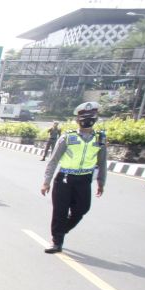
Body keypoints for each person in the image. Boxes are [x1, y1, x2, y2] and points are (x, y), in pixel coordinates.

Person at [40, 102, 107, 253]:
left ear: (95, 119)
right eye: (84, 118)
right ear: (78, 120)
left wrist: (101, 182)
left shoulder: (99, 139)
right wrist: (46, 182)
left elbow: (102, 162)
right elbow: (53, 161)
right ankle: (57, 242)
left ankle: (61, 230)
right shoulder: (67, 137)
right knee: (60, 211)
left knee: (82, 209)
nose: (87, 121)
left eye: (91, 117)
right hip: (65, 178)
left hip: (84, 179)